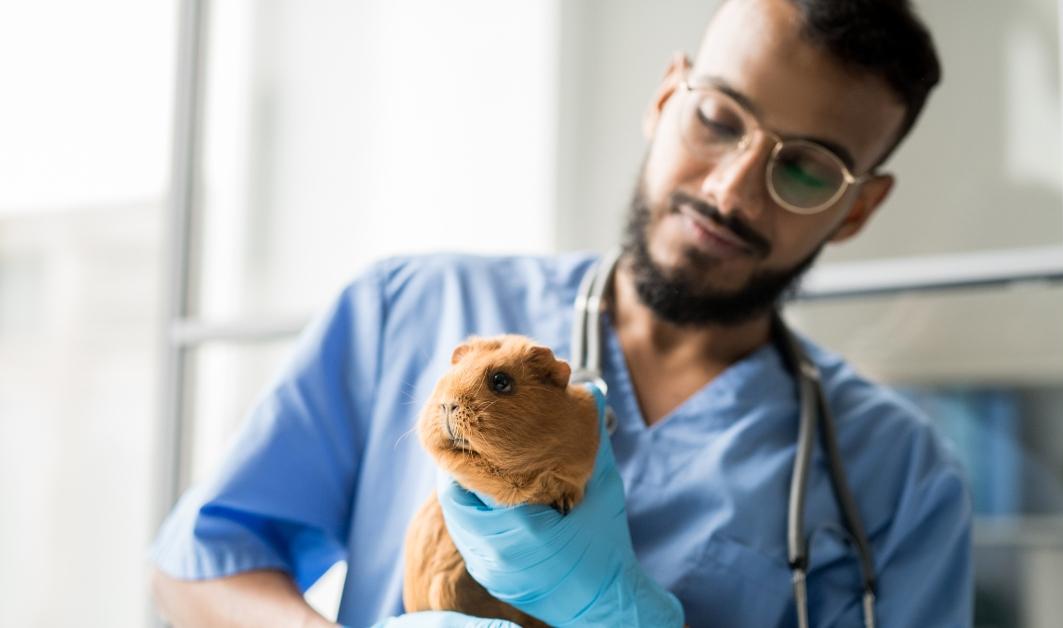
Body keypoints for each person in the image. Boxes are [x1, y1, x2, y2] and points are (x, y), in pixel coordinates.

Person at [151, 0, 972, 626]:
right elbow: (201, 563)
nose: (729, 190)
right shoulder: (411, 309)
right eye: (718, 118)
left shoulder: (899, 477)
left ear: (858, 209)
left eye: (805, 171)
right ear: (664, 101)